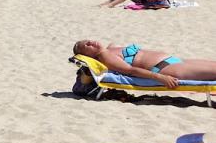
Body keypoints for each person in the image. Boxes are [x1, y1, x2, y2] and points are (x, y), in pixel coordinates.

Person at [72, 40, 216, 88]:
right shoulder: (105, 56)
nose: (91, 42)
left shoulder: (108, 49)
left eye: (88, 40)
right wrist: (160, 78)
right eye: (87, 45)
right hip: (165, 68)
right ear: (89, 54)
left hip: (173, 60)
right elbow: (131, 70)